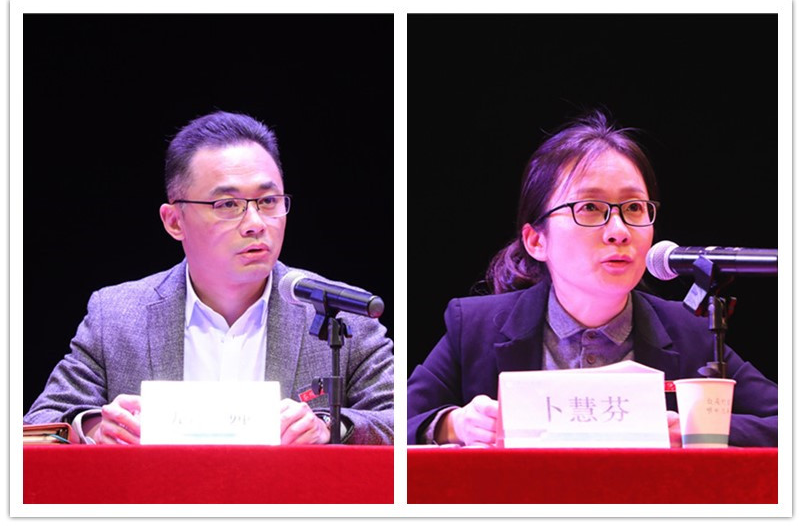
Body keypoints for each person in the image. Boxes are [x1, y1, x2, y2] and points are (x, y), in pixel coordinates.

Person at [407, 110, 777, 447]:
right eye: (589, 207)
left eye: (634, 207)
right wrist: (452, 424)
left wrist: (702, 429)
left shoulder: (688, 332)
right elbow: (395, 421)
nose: (619, 231)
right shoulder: (475, 328)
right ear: (536, 241)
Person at [25, 111, 394, 445]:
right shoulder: (118, 316)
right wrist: (93, 427)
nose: (255, 224)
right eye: (228, 205)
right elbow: (40, 425)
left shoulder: (341, 314)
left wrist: (330, 426)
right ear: (174, 221)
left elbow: (402, 422)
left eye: (268, 201)